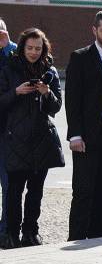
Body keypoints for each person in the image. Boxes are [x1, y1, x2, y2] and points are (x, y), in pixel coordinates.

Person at [0, 28, 63, 248]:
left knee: (36, 191)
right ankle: (10, 233)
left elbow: (56, 106)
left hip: (41, 140)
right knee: (13, 191)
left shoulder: (51, 71)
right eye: (30, 48)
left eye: (38, 48)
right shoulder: (9, 69)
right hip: (16, 139)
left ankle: (30, 231)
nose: (34, 52)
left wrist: (46, 92)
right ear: (22, 47)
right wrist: (15, 92)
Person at [65, 10, 102, 241]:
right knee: (83, 191)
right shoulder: (80, 57)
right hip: (87, 136)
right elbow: (73, 99)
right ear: (94, 30)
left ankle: (97, 235)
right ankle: (76, 237)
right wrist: (75, 135)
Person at [0, 18, 17, 246]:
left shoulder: (10, 54)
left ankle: (4, 228)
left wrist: (8, 45)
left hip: (6, 130)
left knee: (7, 183)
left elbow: (20, 65)